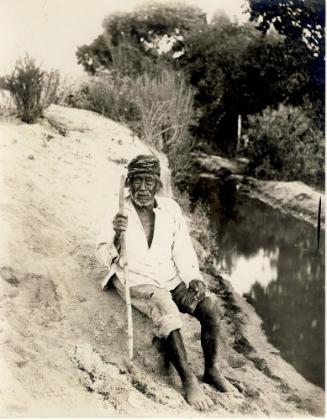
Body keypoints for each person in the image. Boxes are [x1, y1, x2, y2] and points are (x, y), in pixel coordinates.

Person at [95, 154, 233, 410]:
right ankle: (189, 380)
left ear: (158, 183)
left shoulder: (170, 209)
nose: (143, 188)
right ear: (130, 183)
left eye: (149, 181)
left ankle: (211, 370)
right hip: (135, 278)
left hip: (169, 277)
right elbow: (103, 255)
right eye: (138, 181)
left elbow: (182, 250)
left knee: (209, 308)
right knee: (164, 305)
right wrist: (117, 233)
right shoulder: (117, 210)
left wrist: (193, 278)